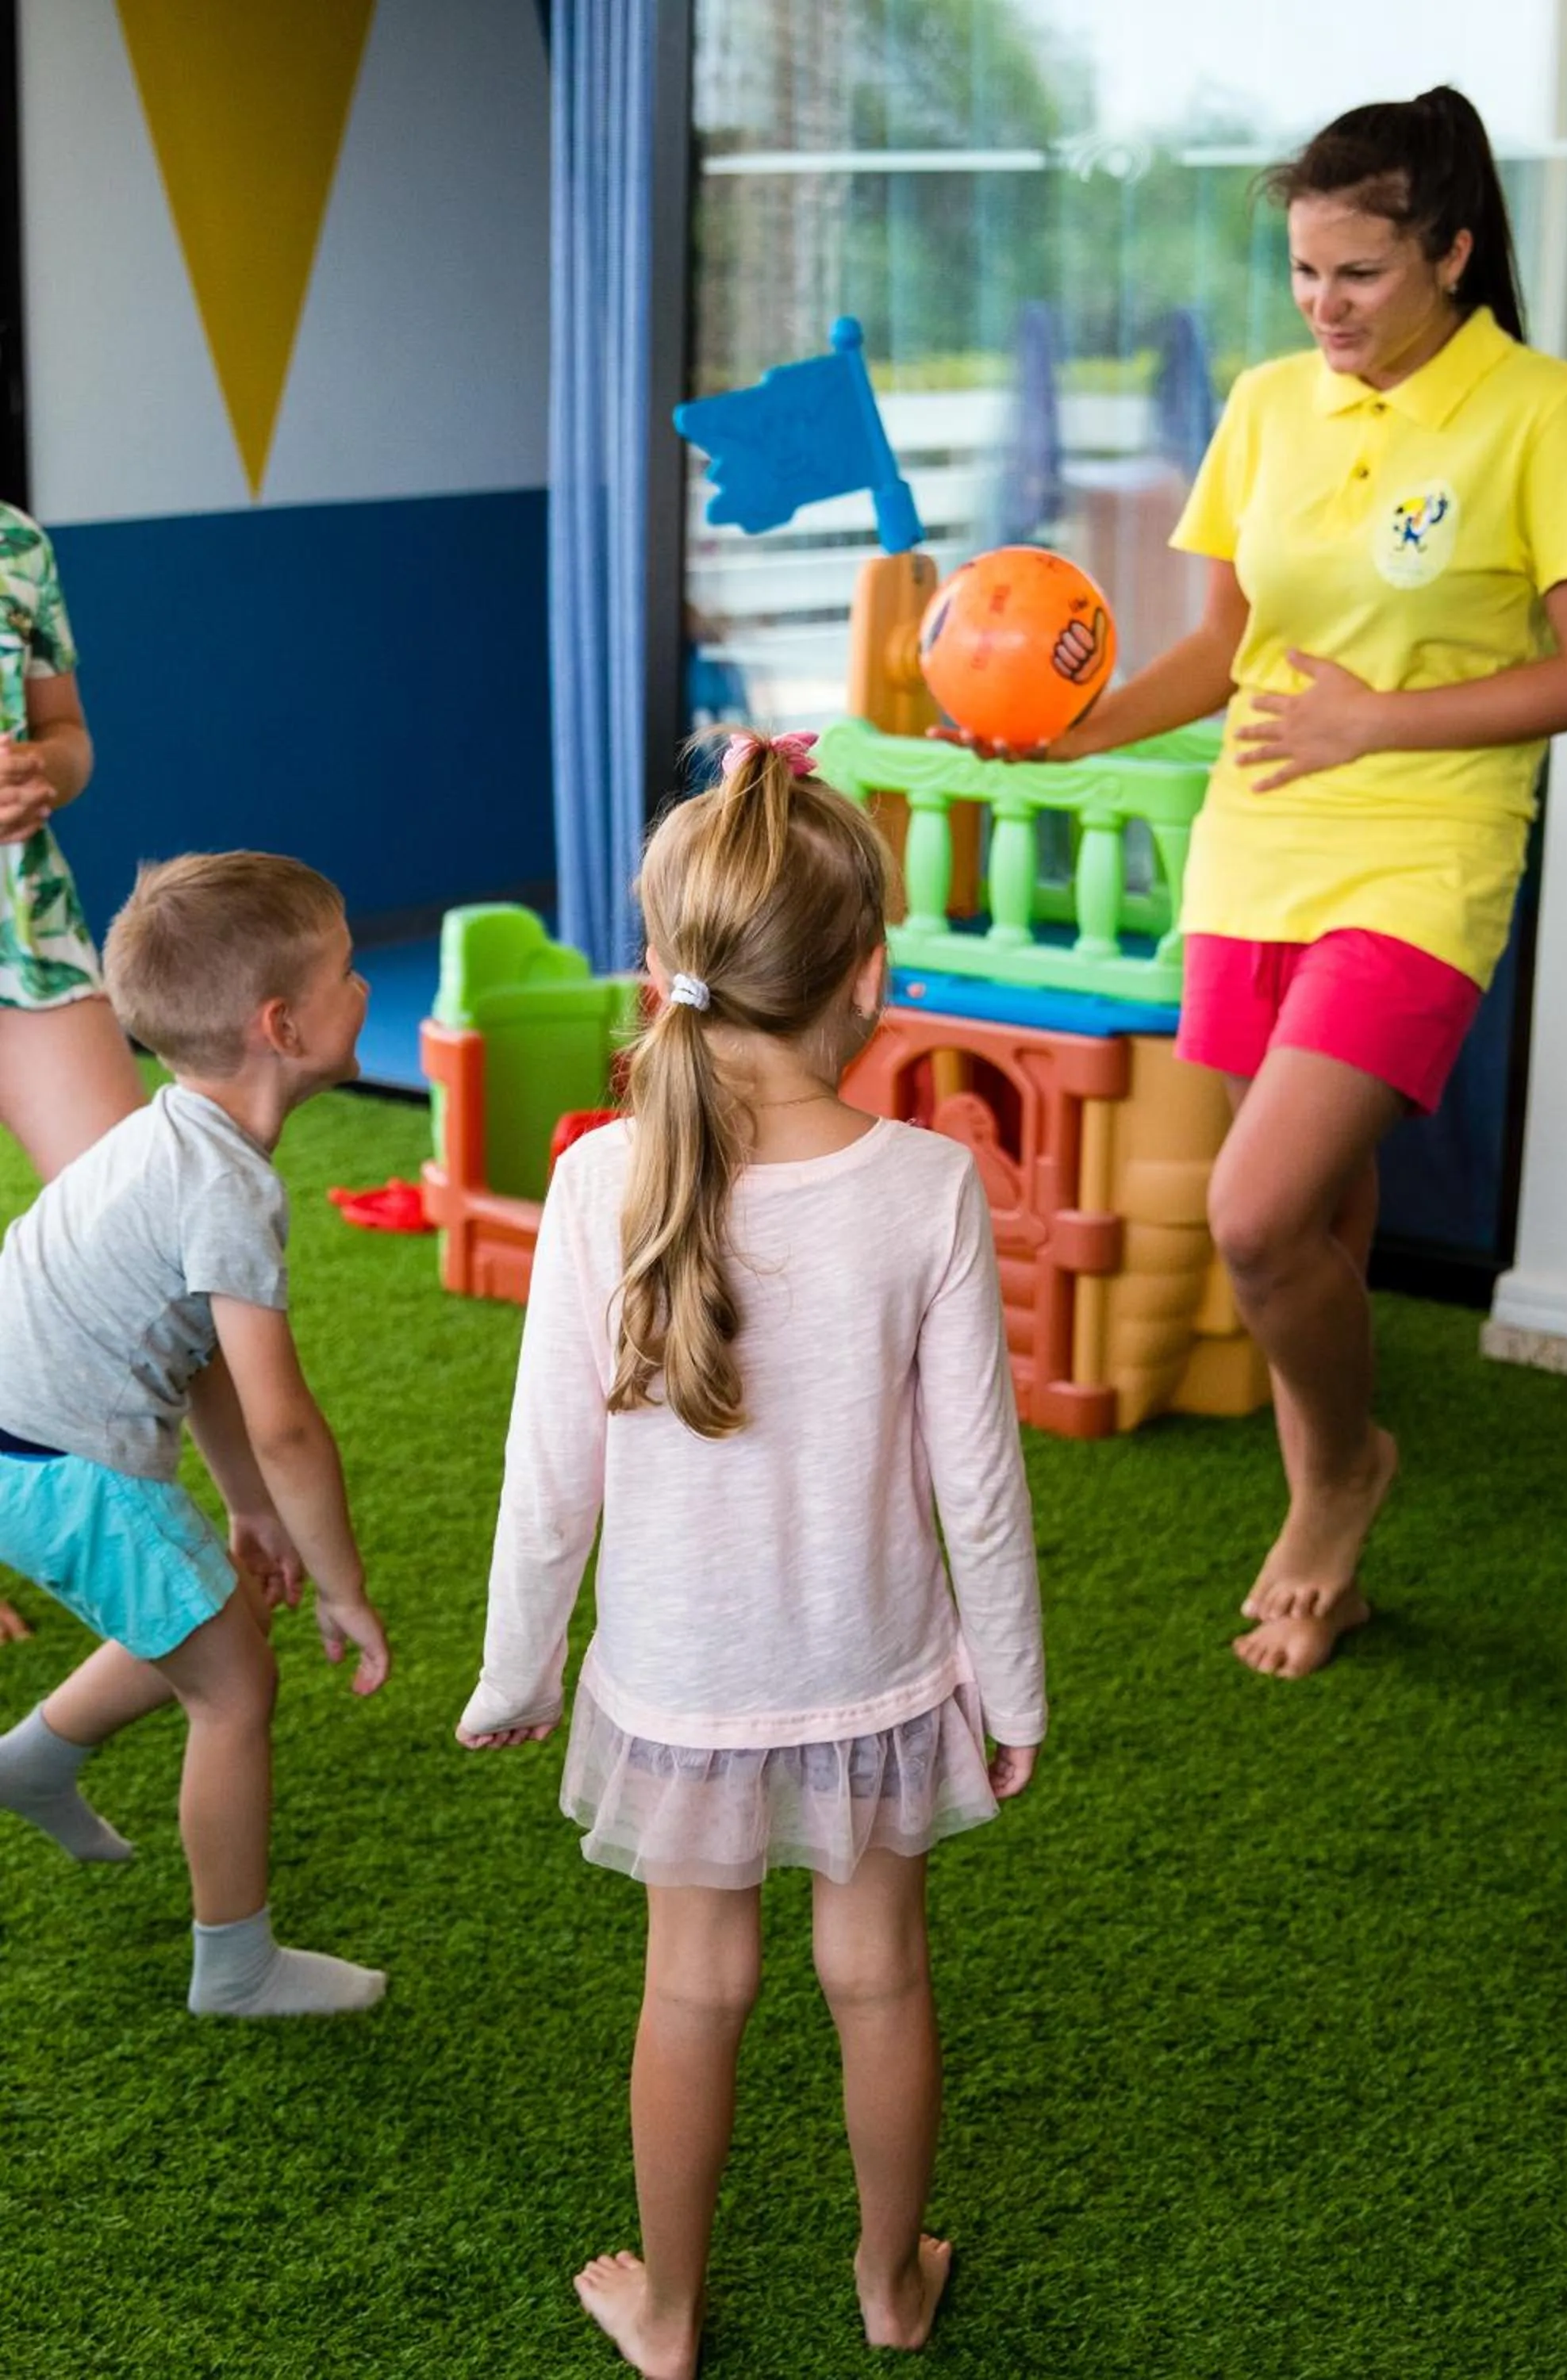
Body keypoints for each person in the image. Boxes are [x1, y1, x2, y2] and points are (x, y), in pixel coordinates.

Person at [457, 730, 1047, 2379]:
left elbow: (543, 1478)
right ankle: (887, 2286)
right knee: (880, 1973)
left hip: (679, 1680)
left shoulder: (593, 1179)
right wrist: (1014, 1692)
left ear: (667, 967)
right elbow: (981, 1493)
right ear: (871, 974)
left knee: (694, 1985)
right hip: (872, 1671)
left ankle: (664, 2309)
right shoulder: (929, 1185)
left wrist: (518, 1669)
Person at [1029, 86, 1567, 1679]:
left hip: (1426, 854)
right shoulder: (1269, 406)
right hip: (1255, 847)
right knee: (1317, 1218)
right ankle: (1323, 1549)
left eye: (1358, 273)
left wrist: (1376, 722)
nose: (1321, 307)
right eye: (1300, 273)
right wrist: (1064, 730)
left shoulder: (1544, 413)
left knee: (1252, 1215)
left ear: (1453, 254)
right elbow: (1215, 651)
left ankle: (1341, 1475)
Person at [0, 852, 391, 2016]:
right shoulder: (229, 1188)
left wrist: (252, 1512)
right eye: (349, 974)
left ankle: (31, 1761)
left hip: (23, 1444)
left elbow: (202, 1356)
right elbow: (284, 1423)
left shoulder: (172, 1134)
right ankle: (236, 1964)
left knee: (197, 1605)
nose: (365, 990)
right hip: (62, 1467)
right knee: (235, 1687)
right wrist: (342, 1585)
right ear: (282, 1024)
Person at [0, 505, 150, 1641]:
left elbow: (70, 734)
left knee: (137, 1237)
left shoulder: (15, 542)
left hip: (30, 939)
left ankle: (154, 1550)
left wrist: (42, 769)